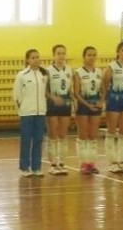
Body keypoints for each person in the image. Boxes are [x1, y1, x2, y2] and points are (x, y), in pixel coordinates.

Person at [14, 49, 48, 177]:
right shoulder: (22, 75)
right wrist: (22, 108)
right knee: (26, 140)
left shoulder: (43, 74)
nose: (36, 59)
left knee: (38, 140)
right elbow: (16, 94)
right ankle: (24, 168)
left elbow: (45, 93)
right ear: (27, 60)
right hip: (26, 113)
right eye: (33, 57)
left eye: (38, 57)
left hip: (41, 112)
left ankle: (36, 167)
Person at [103, 42, 123, 173]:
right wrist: (104, 100)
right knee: (111, 131)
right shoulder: (111, 66)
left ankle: (122, 160)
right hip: (114, 99)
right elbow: (104, 84)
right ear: (118, 52)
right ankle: (111, 161)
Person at [73, 46, 103, 174]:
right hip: (83, 105)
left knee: (92, 136)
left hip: (95, 105)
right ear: (84, 57)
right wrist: (87, 105)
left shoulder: (99, 72)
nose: (92, 57)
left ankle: (91, 163)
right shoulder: (78, 72)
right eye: (89, 55)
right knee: (83, 135)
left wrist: (101, 102)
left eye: (94, 55)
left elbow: (102, 90)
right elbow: (76, 93)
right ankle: (83, 163)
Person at [45, 44, 72, 175]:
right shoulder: (48, 71)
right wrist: (53, 98)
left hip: (65, 102)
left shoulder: (69, 70)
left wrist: (73, 100)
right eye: (59, 53)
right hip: (52, 103)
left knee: (63, 134)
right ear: (53, 55)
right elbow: (44, 90)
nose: (61, 56)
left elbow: (69, 88)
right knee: (52, 133)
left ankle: (61, 163)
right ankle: (52, 164)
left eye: (63, 53)